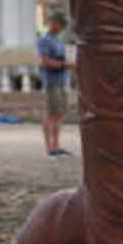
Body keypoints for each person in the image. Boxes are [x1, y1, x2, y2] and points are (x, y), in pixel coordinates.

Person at [37, 11, 72, 157]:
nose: (60, 27)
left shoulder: (59, 40)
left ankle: (56, 145)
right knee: (51, 114)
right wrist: (67, 65)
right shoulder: (45, 40)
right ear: (54, 23)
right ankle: (49, 148)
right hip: (51, 81)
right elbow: (46, 62)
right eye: (59, 23)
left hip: (62, 80)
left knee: (59, 114)